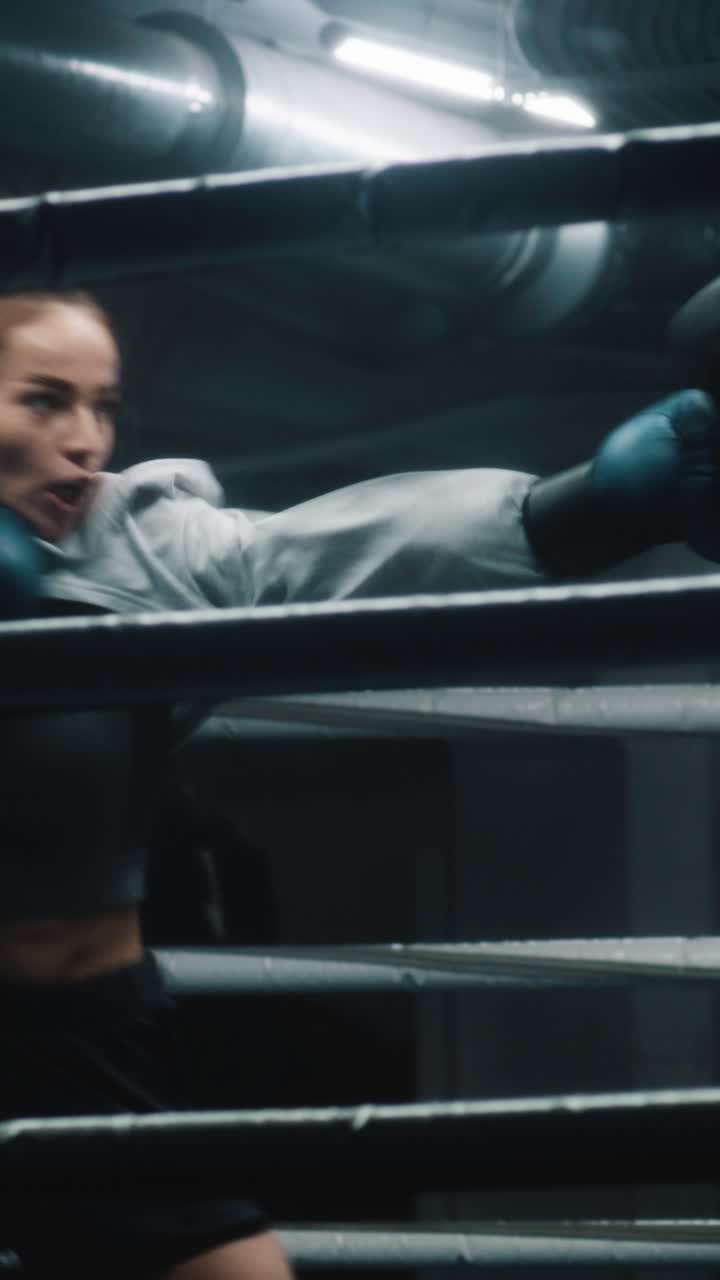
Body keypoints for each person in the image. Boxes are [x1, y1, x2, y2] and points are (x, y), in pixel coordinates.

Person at [0, 287, 717, 1278]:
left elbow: (316, 557)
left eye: (103, 403)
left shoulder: (138, 549)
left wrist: (581, 506)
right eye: (42, 401)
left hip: (87, 1040)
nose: (85, 438)